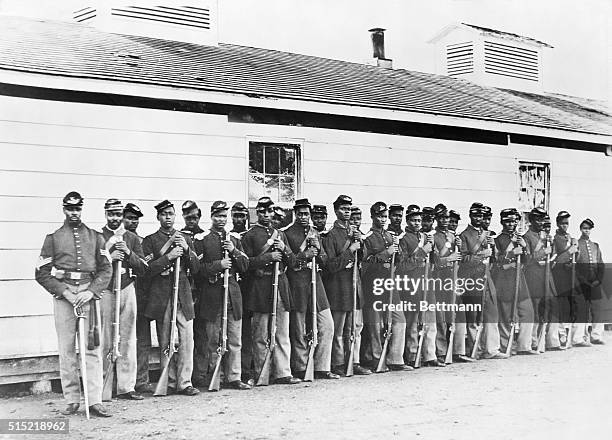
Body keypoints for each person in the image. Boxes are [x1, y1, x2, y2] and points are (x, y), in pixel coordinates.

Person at [35, 191, 112, 417]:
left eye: (77, 208)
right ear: (64, 209)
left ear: (82, 209)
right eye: (70, 209)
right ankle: (71, 399)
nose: (74, 213)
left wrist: (91, 291)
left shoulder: (96, 237)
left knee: (92, 347)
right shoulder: (53, 238)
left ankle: (95, 400)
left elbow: (106, 269)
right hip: (65, 296)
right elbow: (41, 272)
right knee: (66, 349)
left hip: (88, 294)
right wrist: (65, 293)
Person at [142, 200, 200, 396]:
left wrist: (186, 250)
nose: (168, 217)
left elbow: (197, 268)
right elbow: (147, 270)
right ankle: (169, 380)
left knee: (187, 339)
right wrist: (168, 257)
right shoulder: (150, 240)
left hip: (183, 293)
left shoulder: (184, 238)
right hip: (162, 294)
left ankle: (185, 381)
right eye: (164, 214)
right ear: (158, 217)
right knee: (166, 339)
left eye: (171, 214)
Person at [241, 197, 301, 385]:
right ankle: (262, 373)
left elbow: (293, 262)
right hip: (261, 286)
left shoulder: (280, 235)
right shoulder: (250, 235)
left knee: (282, 332)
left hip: (280, 285)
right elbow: (245, 264)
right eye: (262, 212)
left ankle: (283, 372)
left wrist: (284, 250)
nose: (266, 215)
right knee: (261, 334)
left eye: (269, 212)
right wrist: (268, 257)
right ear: (257, 213)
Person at [196, 201, 252, 390]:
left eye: (223, 216)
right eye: (217, 216)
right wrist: (218, 265)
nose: (221, 220)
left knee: (234, 339)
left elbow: (245, 265)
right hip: (212, 294)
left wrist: (234, 250)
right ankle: (216, 377)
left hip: (232, 295)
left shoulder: (234, 238)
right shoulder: (202, 239)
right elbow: (197, 269)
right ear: (211, 216)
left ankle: (234, 377)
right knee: (214, 340)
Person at [283, 198, 339, 380]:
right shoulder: (287, 233)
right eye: (300, 213)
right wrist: (305, 255)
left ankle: (322, 367)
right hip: (297, 282)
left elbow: (324, 260)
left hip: (316, 282)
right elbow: (288, 262)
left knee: (327, 324)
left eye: (306, 213)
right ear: (295, 214)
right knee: (299, 328)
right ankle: (300, 367)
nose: (303, 217)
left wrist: (317, 249)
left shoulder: (315, 233)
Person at [100, 199, 147, 400]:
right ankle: (103, 385)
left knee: (128, 338)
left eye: (118, 214)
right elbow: (94, 266)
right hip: (106, 290)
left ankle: (127, 386)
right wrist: (111, 255)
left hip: (127, 288)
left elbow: (144, 268)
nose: (115, 218)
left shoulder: (132, 238)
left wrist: (128, 252)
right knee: (105, 338)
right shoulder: (98, 237)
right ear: (105, 214)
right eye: (111, 214)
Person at [323, 195, 371, 376]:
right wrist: (350, 251)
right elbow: (331, 266)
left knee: (355, 328)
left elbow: (364, 257)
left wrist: (361, 243)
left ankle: (355, 360)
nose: (347, 212)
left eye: (349, 209)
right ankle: (338, 363)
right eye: (343, 209)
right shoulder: (331, 236)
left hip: (354, 288)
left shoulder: (354, 231)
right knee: (339, 330)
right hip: (339, 288)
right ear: (336, 211)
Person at [361, 202, 410, 371]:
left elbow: (400, 261)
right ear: (373, 217)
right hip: (374, 284)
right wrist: (385, 254)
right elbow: (365, 265)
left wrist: (397, 251)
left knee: (399, 320)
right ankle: (376, 358)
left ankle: (395, 358)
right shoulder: (367, 238)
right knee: (375, 324)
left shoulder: (390, 236)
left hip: (390, 283)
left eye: (384, 216)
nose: (382, 219)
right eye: (379, 216)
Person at [458, 202, 507, 360]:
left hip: (486, 278)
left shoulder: (487, 234)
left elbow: (495, 259)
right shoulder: (464, 235)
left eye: (481, 215)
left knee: (491, 313)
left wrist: (494, 250)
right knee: (473, 316)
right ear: (471, 216)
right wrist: (482, 255)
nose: (479, 218)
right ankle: (475, 349)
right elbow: (463, 259)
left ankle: (491, 349)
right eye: (476, 215)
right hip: (471, 279)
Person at [399, 205, 442, 367]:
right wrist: (423, 251)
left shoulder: (426, 237)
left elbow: (435, 262)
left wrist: (433, 250)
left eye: (419, 220)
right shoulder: (404, 239)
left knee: (430, 321)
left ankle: (430, 355)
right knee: (412, 323)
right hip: (412, 285)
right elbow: (402, 266)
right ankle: (411, 355)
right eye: (413, 220)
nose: (417, 223)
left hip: (427, 283)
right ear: (408, 221)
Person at [494, 208, 537, 355]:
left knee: (527, 312)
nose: (511, 224)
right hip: (504, 282)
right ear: (502, 222)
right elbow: (496, 263)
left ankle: (524, 346)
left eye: (513, 221)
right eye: (507, 221)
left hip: (520, 280)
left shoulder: (520, 238)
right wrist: (512, 253)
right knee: (506, 316)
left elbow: (528, 261)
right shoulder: (498, 240)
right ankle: (505, 346)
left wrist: (524, 248)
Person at [123, 203, 156, 394]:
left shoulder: (143, 241)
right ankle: (121, 380)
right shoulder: (116, 240)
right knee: (123, 338)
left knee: (142, 339)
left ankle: (141, 380)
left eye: (135, 219)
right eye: (129, 218)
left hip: (141, 294)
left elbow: (146, 269)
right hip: (121, 293)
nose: (132, 222)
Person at [522, 208, 563, 351]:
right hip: (534, 278)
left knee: (552, 307)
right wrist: (542, 252)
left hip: (547, 276)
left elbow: (552, 257)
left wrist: (550, 249)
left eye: (542, 220)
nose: (541, 223)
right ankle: (534, 342)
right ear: (531, 221)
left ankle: (551, 341)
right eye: (538, 220)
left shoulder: (545, 236)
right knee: (536, 309)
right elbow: (527, 260)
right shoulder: (526, 237)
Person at [431, 204, 463, 363]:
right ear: (437, 219)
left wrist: (460, 247)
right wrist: (449, 259)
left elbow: (460, 257)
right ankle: (442, 351)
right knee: (441, 315)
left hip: (452, 277)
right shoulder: (433, 236)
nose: (445, 221)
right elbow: (434, 261)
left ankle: (455, 350)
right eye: (442, 218)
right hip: (439, 278)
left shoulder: (452, 236)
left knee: (453, 314)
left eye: (447, 218)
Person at [229, 201, 254, 384]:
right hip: (233, 289)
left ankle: (247, 369)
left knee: (248, 331)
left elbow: (250, 263)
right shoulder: (228, 236)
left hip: (250, 287)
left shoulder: (250, 235)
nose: (239, 219)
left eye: (242, 215)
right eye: (236, 215)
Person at [576, 218, 606, 345]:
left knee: (598, 309)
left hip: (595, 283)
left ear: (591, 230)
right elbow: (576, 266)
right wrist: (583, 281)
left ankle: (596, 336)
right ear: (580, 229)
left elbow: (601, 265)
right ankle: (579, 338)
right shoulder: (576, 244)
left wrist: (598, 280)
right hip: (582, 282)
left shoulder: (595, 246)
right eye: (584, 228)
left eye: (588, 228)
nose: (586, 230)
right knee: (582, 310)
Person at [552, 211, 579, 347]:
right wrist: (570, 251)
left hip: (569, 275)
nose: (565, 226)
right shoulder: (555, 239)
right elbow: (555, 260)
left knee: (570, 304)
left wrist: (576, 248)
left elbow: (576, 258)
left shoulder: (569, 237)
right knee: (561, 304)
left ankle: (568, 334)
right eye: (562, 223)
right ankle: (561, 334)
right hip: (558, 275)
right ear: (557, 223)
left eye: (567, 223)